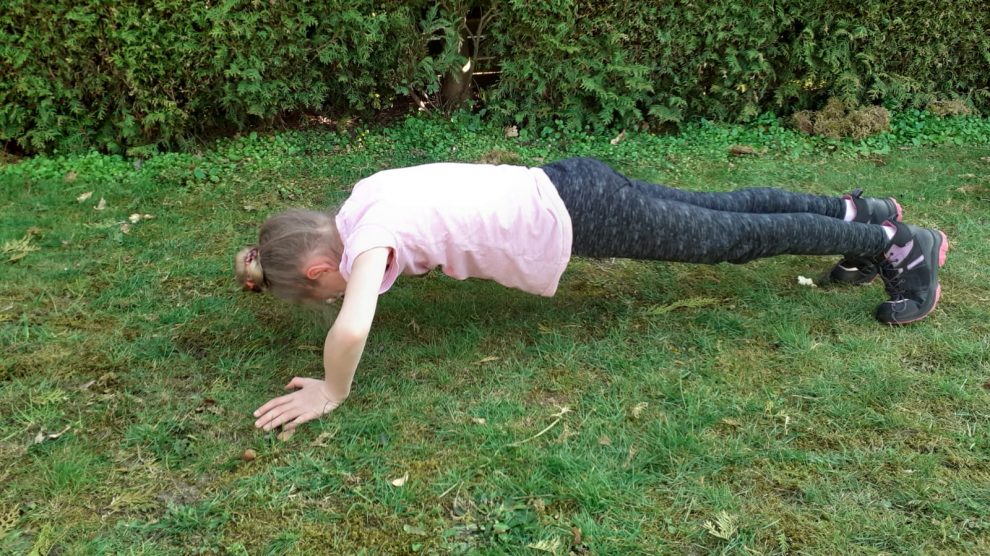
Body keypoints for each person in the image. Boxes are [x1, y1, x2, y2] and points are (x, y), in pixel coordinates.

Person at [234, 157, 948, 433]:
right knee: (724, 210)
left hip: (580, 213)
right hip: (570, 182)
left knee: (730, 237)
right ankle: (858, 216)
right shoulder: (360, 200)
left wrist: (332, 388)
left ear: (323, 268)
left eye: (313, 295)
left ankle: (900, 246)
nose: (324, 302)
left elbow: (354, 329)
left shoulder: (367, 241)